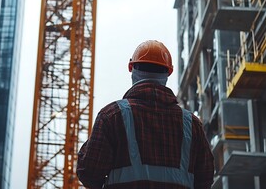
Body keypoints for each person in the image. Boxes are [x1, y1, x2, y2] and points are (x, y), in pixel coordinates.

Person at [77, 40, 214, 188]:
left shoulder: (111, 116)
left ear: (131, 67)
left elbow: (88, 173)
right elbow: (205, 180)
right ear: (169, 71)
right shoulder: (192, 124)